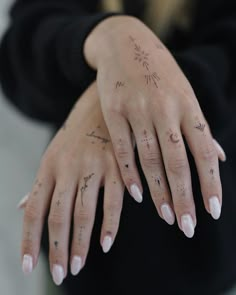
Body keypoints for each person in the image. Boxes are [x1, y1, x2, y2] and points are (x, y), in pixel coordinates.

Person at [0, 0, 236, 294]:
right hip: (79, 255)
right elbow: (19, 55)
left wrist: (120, 94)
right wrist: (108, 36)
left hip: (205, 258)